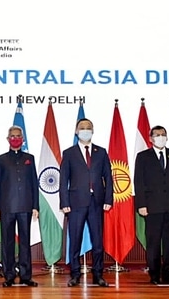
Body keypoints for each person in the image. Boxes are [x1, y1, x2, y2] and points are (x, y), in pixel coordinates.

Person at [59, 118, 113, 287]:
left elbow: (108, 178)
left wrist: (108, 199)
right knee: (74, 240)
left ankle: (98, 275)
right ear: (76, 131)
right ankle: (75, 274)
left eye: (88, 128)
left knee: (98, 242)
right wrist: (64, 202)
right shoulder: (69, 153)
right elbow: (63, 180)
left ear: (93, 130)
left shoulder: (101, 152)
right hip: (75, 203)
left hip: (97, 203)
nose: (85, 130)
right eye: (82, 128)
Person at [134, 125, 169, 285]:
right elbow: (139, 182)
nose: (161, 137)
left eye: (163, 135)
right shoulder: (143, 157)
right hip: (152, 208)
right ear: (151, 139)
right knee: (153, 244)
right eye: (157, 135)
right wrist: (141, 205)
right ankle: (154, 275)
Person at [0, 125, 39, 287]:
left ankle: (26, 276)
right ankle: (9, 275)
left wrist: (35, 206)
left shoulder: (30, 158)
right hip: (6, 207)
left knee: (25, 242)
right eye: (12, 136)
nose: (15, 138)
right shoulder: (2, 159)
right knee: (7, 243)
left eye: (18, 136)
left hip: (26, 206)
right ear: (7, 139)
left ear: (23, 139)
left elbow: (34, 183)